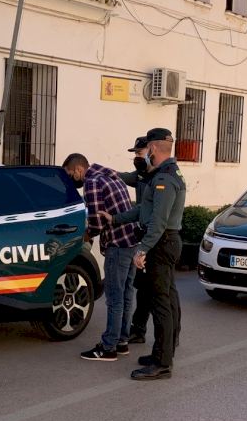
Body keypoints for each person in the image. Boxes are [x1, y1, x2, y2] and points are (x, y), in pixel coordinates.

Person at [102, 128, 186, 380]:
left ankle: (162, 363)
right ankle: (161, 353)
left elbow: (158, 222)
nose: (144, 152)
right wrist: (115, 219)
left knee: (161, 305)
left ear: (153, 148)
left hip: (161, 243)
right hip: (163, 242)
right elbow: (143, 210)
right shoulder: (162, 174)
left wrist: (142, 250)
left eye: (146, 147)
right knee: (164, 300)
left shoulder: (164, 179)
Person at [63, 153, 140, 361]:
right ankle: (122, 341)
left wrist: (82, 238)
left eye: (70, 174)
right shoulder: (111, 176)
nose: (71, 179)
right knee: (126, 295)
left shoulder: (92, 183)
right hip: (132, 242)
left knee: (114, 298)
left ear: (78, 169)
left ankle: (108, 348)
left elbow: (96, 223)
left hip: (117, 245)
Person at [118, 137, 153, 345]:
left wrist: (116, 219)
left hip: (154, 237)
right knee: (143, 287)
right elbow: (122, 177)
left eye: (139, 153)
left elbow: (145, 210)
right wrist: (101, 172)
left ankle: (147, 331)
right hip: (144, 234)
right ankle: (138, 329)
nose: (136, 158)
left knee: (156, 290)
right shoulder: (141, 175)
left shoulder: (157, 177)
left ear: (150, 151)